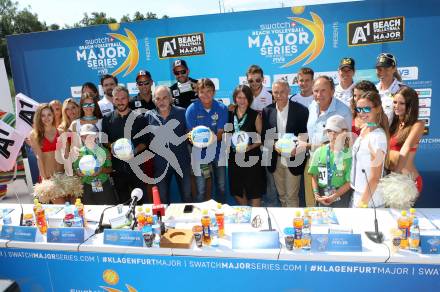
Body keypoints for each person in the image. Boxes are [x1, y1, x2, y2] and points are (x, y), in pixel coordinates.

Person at [302, 76, 352, 207]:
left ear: (332, 91)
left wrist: (309, 145)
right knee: (312, 203)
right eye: (316, 91)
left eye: (323, 90)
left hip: (337, 165)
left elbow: (345, 141)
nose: (319, 95)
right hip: (314, 160)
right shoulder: (312, 106)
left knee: (336, 209)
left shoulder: (343, 111)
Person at [262, 79, 308, 207]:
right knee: (282, 196)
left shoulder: (301, 110)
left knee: (291, 196)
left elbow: (304, 135)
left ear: (289, 91)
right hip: (276, 159)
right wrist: (274, 145)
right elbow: (265, 136)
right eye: (276, 92)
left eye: (282, 92)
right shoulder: (267, 111)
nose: (279, 95)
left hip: (294, 158)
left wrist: (296, 149)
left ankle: (294, 225)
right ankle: (285, 223)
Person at [102, 85, 149, 204]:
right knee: (123, 203)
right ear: (113, 100)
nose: (120, 102)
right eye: (117, 99)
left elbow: (145, 141)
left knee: (140, 202)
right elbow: (104, 139)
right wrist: (111, 146)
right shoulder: (107, 119)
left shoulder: (139, 118)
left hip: (137, 167)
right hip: (117, 169)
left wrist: (135, 150)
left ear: (128, 99)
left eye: (123, 98)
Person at [145, 86, 191, 204]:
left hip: (182, 162)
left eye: (165, 98)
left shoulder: (183, 113)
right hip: (160, 165)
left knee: (187, 196)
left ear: (171, 98)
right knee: (162, 199)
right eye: (158, 99)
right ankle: (163, 222)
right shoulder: (148, 116)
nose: (161, 101)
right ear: (154, 100)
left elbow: (191, 135)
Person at [185, 78, 228, 203]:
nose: (206, 95)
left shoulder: (221, 108)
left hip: (218, 154)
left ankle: (222, 214)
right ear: (197, 93)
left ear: (214, 92)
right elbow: (192, 137)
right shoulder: (191, 110)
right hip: (201, 156)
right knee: (201, 189)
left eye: (209, 91)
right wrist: (203, 138)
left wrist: (203, 138)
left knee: (221, 187)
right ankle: (201, 217)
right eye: (202, 92)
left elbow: (220, 134)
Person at [228, 85, 265, 207]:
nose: (242, 101)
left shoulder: (255, 115)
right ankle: (245, 213)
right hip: (235, 158)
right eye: (239, 97)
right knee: (237, 190)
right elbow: (227, 134)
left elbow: (261, 138)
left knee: (254, 191)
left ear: (249, 99)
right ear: (235, 98)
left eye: (245, 98)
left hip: (252, 158)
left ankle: (256, 217)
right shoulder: (229, 114)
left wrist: (249, 147)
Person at [351, 91, 389, 208]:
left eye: (366, 109)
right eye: (359, 109)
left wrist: (362, 203)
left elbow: (375, 177)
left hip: (370, 200)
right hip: (358, 194)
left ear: (377, 109)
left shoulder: (378, 138)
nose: (362, 113)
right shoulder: (365, 129)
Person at [308, 115, 352, 207]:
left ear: (344, 133)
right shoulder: (319, 151)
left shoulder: (348, 155)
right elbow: (314, 175)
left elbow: (349, 182)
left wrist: (334, 196)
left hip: (341, 195)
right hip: (322, 194)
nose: (332, 135)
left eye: (336, 131)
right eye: (329, 131)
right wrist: (316, 195)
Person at [388, 86, 424, 194]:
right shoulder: (393, 124)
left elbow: (405, 150)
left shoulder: (418, 125)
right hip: (393, 178)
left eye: (402, 103)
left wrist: (394, 178)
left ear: (410, 105)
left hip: (408, 182)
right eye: (395, 102)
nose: (396, 106)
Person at [30, 104, 66, 203]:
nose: (46, 118)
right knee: (61, 206)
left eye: (49, 115)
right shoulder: (34, 135)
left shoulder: (61, 132)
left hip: (64, 175)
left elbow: (66, 156)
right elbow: (39, 158)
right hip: (49, 177)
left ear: (53, 116)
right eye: (43, 115)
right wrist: (45, 180)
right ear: (38, 117)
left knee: (72, 206)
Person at [73, 124, 117, 205]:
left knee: (106, 207)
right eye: (84, 136)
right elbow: (76, 169)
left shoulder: (104, 151)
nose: (87, 139)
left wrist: (101, 170)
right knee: (89, 210)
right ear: (81, 138)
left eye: (90, 136)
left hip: (103, 184)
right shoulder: (79, 153)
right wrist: (79, 172)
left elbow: (110, 169)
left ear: (96, 136)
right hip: (87, 185)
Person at [375, 53, 404, 122]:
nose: (382, 72)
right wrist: (373, 127)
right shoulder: (373, 90)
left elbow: (409, 119)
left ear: (394, 69)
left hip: (395, 132)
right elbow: (370, 121)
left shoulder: (403, 90)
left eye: (386, 68)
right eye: (379, 69)